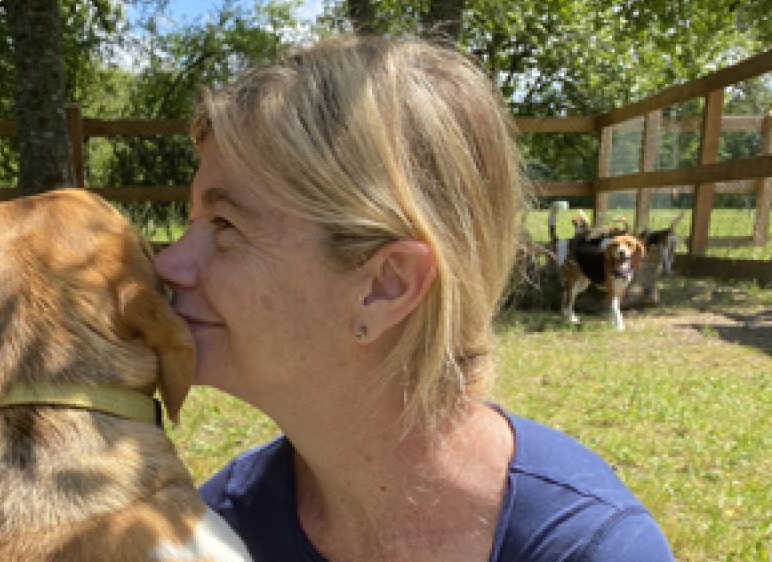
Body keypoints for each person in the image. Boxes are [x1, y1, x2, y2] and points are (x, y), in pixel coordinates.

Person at [154, 35, 674, 562]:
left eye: (225, 226)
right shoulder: (217, 531)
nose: (168, 264)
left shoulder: (590, 549)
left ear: (388, 286)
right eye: (191, 222)